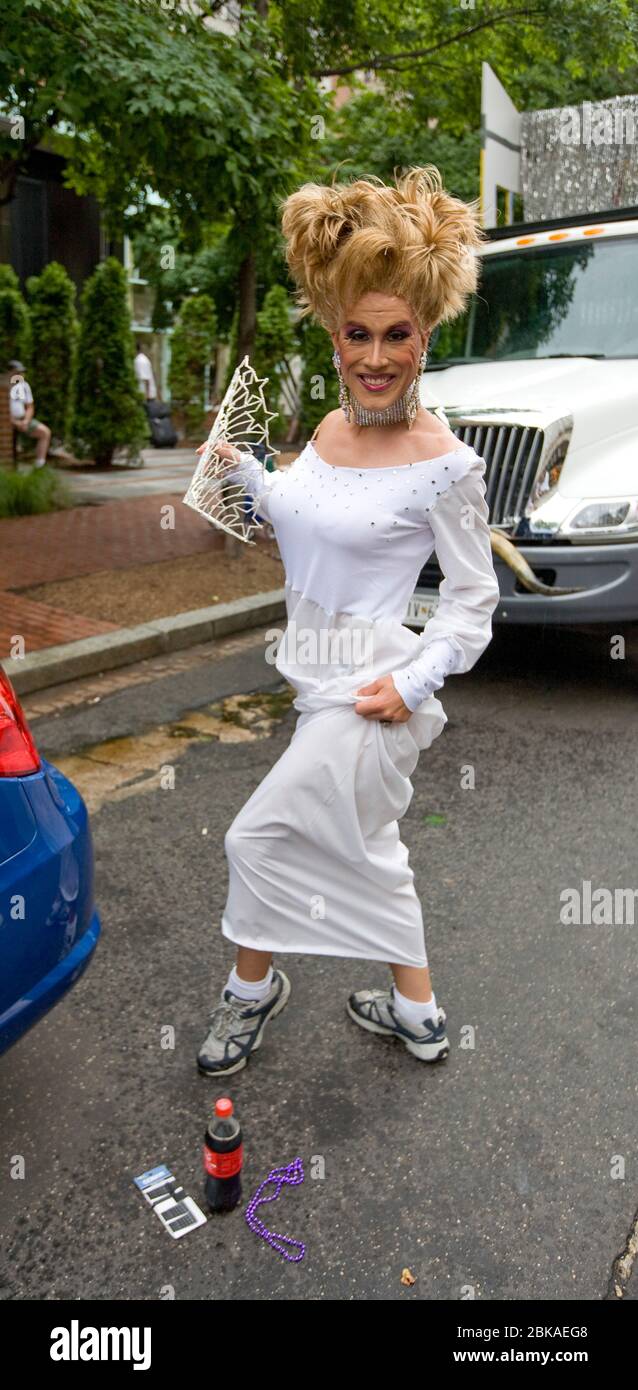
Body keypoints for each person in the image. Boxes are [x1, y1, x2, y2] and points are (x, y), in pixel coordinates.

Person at [195, 166, 500, 1077]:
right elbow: (298, 511)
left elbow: (472, 598)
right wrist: (241, 477)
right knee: (369, 848)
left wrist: (412, 683)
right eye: (357, 334)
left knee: (259, 835)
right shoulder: (328, 431)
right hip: (309, 677)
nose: (375, 356)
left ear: (425, 334)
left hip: (370, 691)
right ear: (334, 335)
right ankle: (419, 1013)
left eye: (395, 335)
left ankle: (253, 991)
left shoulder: (446, 463)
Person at [9, 360, 51, 469]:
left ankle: (39, 466)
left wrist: (25, 421)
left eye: (22, 372)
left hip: (23, 419)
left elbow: (30, 407)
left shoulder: (24, 386)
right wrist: (14, 422)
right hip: (7, 421)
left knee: (45, 433)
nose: (21, 374)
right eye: (17, 372)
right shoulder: (3, 387)